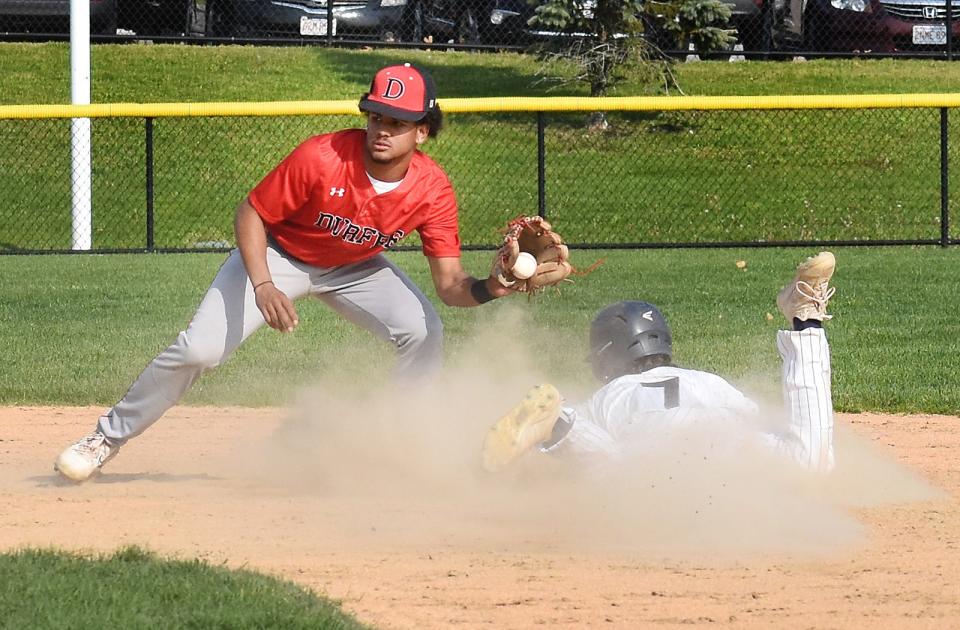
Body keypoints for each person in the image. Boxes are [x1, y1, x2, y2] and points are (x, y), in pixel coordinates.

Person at [55, 62, 516, 483]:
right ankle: (104, 440)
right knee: (199, 350)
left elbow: (452, 286)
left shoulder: (432, 189)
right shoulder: (322, 157)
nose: (381, 130)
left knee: (423, 329)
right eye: (375, 116)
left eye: (396, 122)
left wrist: (496, 285)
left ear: (423, 132)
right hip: (279, 254)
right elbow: (252, 213)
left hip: (355, 267)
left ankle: (400, 448)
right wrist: (264, 284)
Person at [481, 251, 838, 475]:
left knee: (609, 469)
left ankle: (560, 421)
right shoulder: (705, 380)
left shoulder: (612, 395)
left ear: (608, 353)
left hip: (651, 448)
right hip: (724, 436)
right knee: (809, 460)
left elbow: (590, 452)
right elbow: (753, 417)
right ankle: (806, 319)